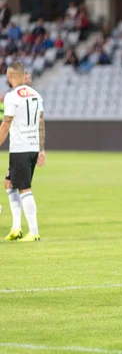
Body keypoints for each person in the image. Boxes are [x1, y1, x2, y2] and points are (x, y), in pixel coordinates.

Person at [2, 63, 45, 242]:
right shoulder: (36, 94)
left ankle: (34, 232)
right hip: (33, 146)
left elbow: (6, 123)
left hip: (20, 148)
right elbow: (41, 123)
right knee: (9, 183)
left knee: (24, 188)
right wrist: (42, 148)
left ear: (11, 76)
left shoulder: (11, 97)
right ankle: (16, 227)